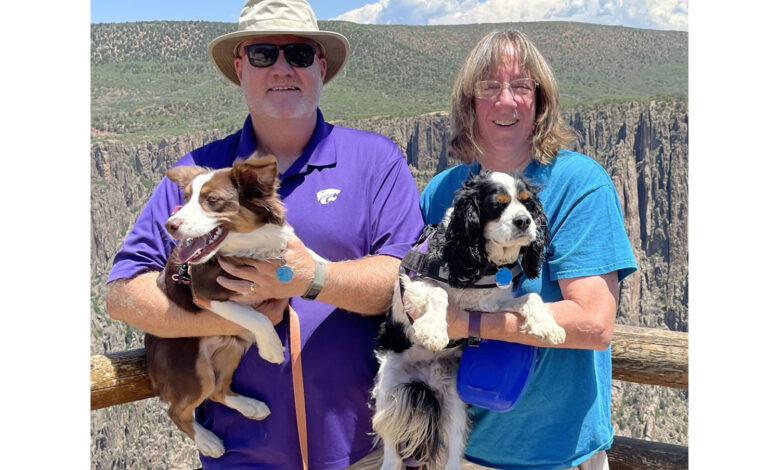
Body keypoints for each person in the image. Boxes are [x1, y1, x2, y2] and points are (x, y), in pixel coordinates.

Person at [105, 0, 423, 468]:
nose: (281, 68)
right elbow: (124, 295)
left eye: (297, 54)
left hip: (368, 449)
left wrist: (310, 278)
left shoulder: (376, 161)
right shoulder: (204, 179)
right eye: (262, 54)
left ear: (320, 66)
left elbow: (405, 282)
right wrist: (240, 320)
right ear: (240, 67)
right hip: (244, 454)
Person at [419, 31, 637, 470]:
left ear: (539, 100)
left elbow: (594, 323)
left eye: (521, 86)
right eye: (489, 87)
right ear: (469, 104)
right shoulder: (443, 193)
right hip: (456, 449)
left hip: (555, 454)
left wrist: (465, 321)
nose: (506, 101)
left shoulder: (579, 184)